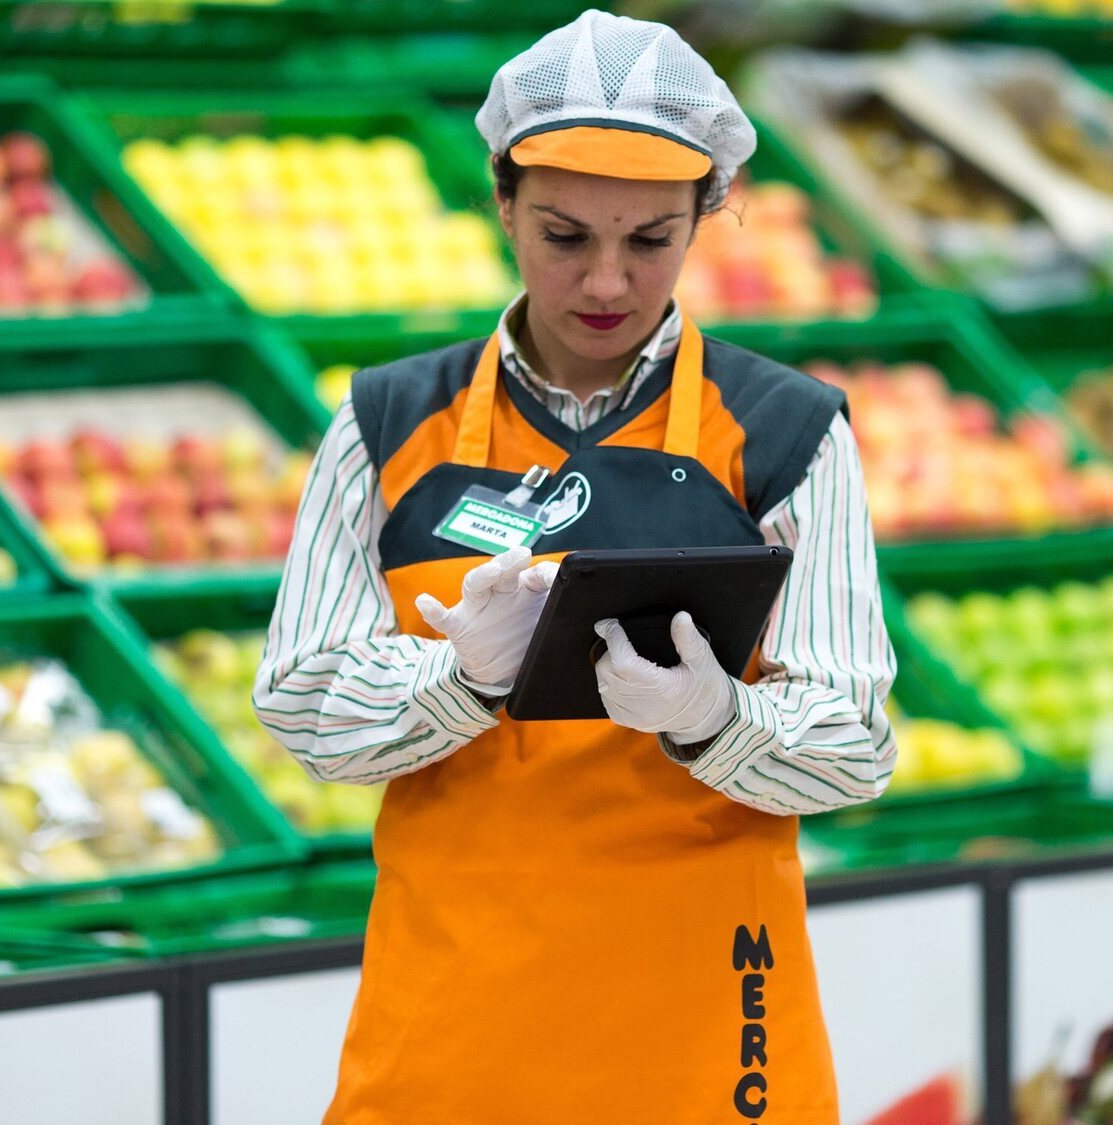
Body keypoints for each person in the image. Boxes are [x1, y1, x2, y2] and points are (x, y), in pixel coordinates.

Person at [254, 10, 898, 1122]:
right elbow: (306, 709)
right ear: (502, 204)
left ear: (705, 215)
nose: (606, 280)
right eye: (563, 236)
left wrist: (717, 719)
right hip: (457, 1025)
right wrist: (458, 685)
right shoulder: (385, 423)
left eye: (650, 239)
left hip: (706, 1031)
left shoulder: (787, 434)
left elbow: (856, 751)